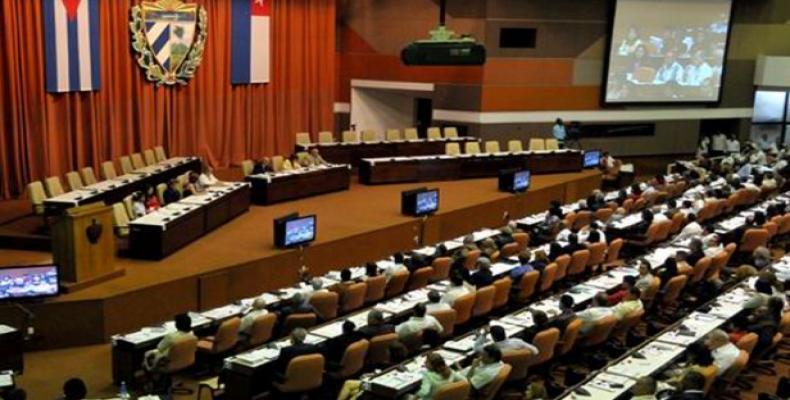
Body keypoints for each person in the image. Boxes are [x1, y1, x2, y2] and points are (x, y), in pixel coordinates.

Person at [474, 324, 538, 355]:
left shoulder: (492, 349)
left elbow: (476, 348)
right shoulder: (517, 341)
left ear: (493, 337)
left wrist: (484, 334)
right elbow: (535, 351)